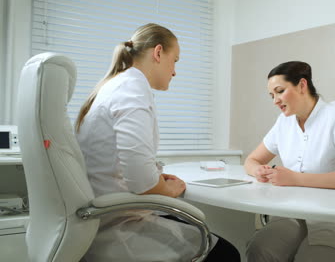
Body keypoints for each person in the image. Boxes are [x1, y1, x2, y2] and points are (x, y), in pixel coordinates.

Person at [75, 23, 240, 262]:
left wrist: (157, 180)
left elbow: (122, 166)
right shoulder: (131, 89)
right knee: (227, 255)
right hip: (117, 224)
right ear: (158, 52)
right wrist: (169, 189)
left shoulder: (115, 86)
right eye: (175, 60)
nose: (175, 71)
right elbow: (143, 183)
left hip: (103, 214)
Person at [244, 61, 335, 262]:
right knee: (260, 249)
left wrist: (296, 178)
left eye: (280, 91)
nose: (275, 100)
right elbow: (252, 159)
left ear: (302, 85)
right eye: (272, 95)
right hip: (293, 214)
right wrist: (257, 170)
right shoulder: (283, 122)